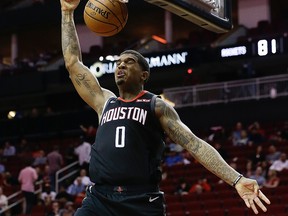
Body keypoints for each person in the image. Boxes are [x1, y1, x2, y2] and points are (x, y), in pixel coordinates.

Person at [59, 0, 271, 215]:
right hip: (100, 199)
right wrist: (67, 13)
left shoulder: (155, 106)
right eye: (119, 62)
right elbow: (72, 62)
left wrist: (236, 179)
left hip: (140, 200)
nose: (121, 65)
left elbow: (195, 145)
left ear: (144, 75)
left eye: (129, 61)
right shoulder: (104, 102)